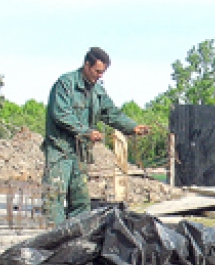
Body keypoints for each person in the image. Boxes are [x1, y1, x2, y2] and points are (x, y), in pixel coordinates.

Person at [42, 47, 151, 225]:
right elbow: (60, 114)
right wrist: (86, 132)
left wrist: (133, 127)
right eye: (97, 71)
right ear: (87, 65)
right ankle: (54, 239)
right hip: (59, 150)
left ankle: (76, 239)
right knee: (54, 196)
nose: (100, 76)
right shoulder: (65, 83)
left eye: (103, 72)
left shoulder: (97, 92)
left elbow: (112, 114)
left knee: (80, 199)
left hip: (80, 153)